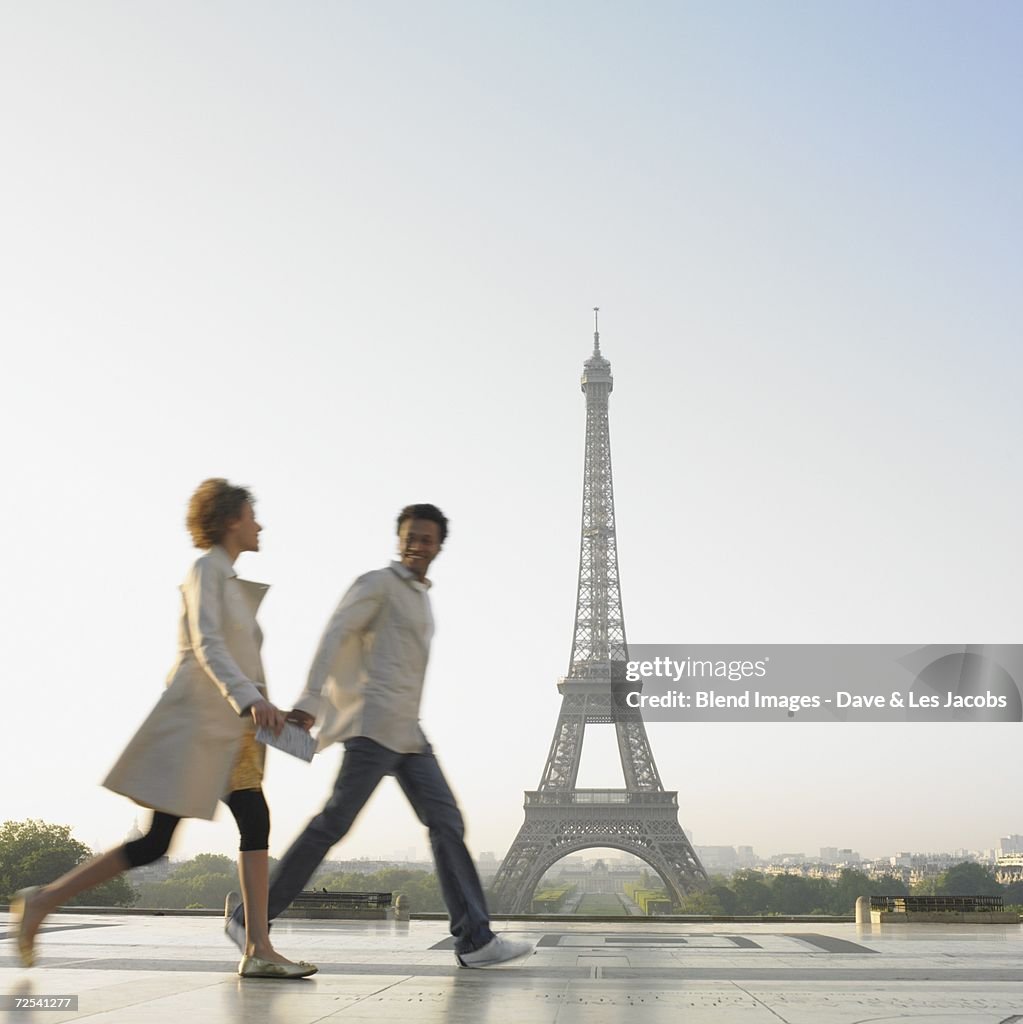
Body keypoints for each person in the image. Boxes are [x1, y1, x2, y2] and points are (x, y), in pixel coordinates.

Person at [13, 479, 316, 979]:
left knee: (250, 822)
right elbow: (208, 646)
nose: (259, 524)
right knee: (159, 842)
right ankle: (43, 901)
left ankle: (258, 947)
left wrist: (273, 710)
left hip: (231, 730)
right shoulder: (204, 571)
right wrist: (252, 699)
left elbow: (233, 660)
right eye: (251, 515)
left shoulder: (227, 580)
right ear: (229, 520)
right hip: (198, 726)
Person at [227, 503, 532, 967]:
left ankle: (475, 940)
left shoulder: (421, 596)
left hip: (407, 732)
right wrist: (311, 699)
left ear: (439, 546)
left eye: (426, 538)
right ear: (399, 539)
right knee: (334, 824)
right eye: (410, 536)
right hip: (373, 727)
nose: (417, 545)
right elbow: (335, 634)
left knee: (446, 822)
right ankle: (251, 919)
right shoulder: (378, 584)